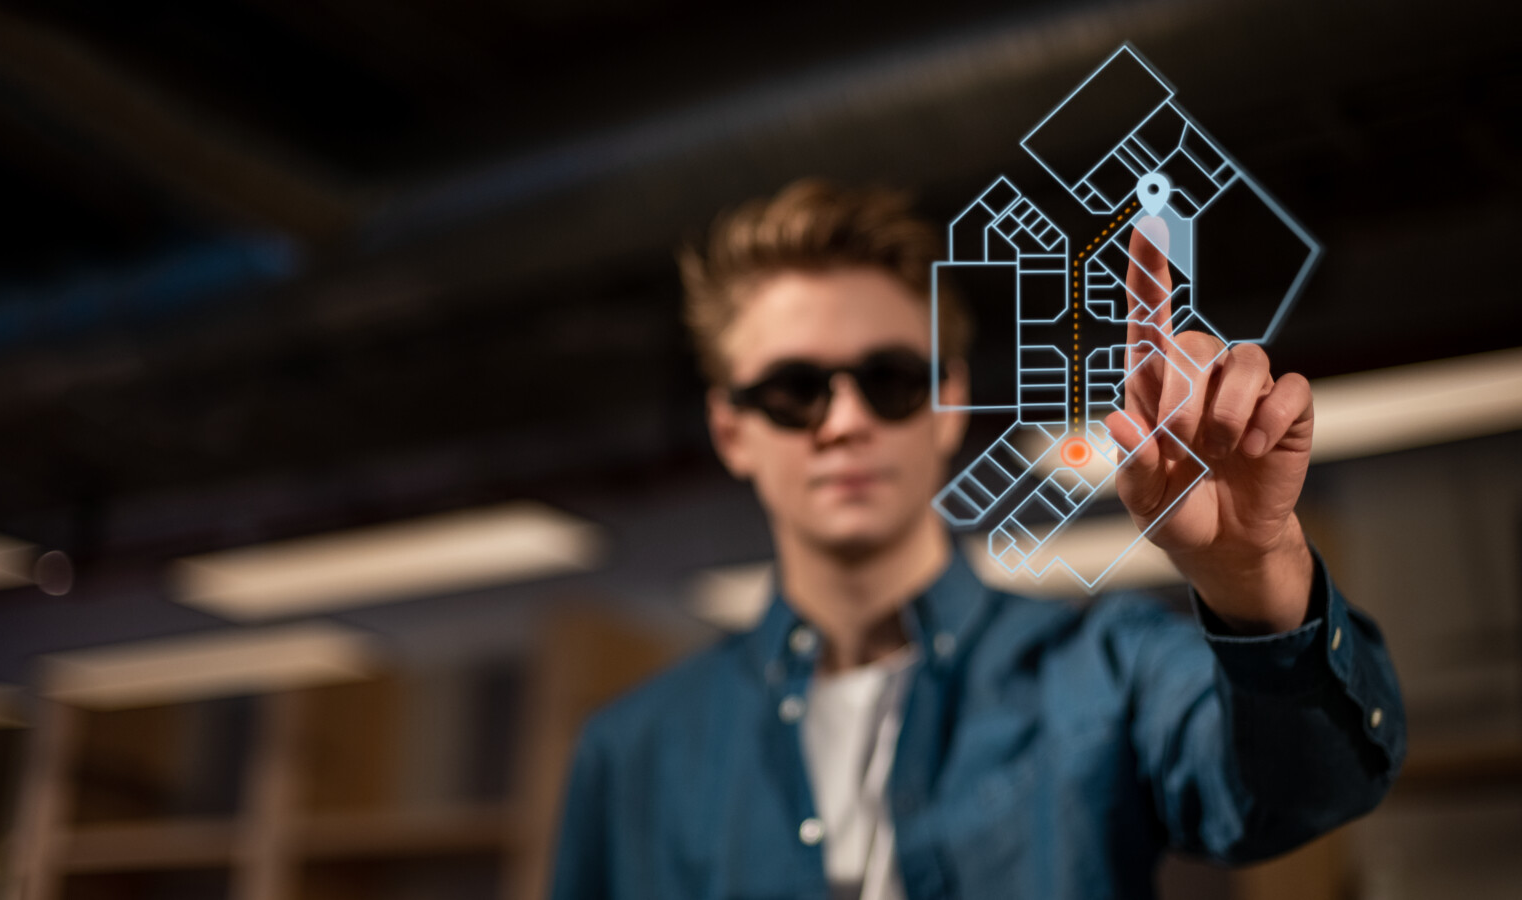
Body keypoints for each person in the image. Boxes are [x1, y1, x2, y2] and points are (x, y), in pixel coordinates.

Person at [549, 180, 1404, 899]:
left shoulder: (1106, 666)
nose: (845, 422)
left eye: (888, 380)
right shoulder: (631, 752)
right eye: (792, 390)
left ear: (948, 399)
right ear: (731, 430)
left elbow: (1311, 790)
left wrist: (1255, 572)